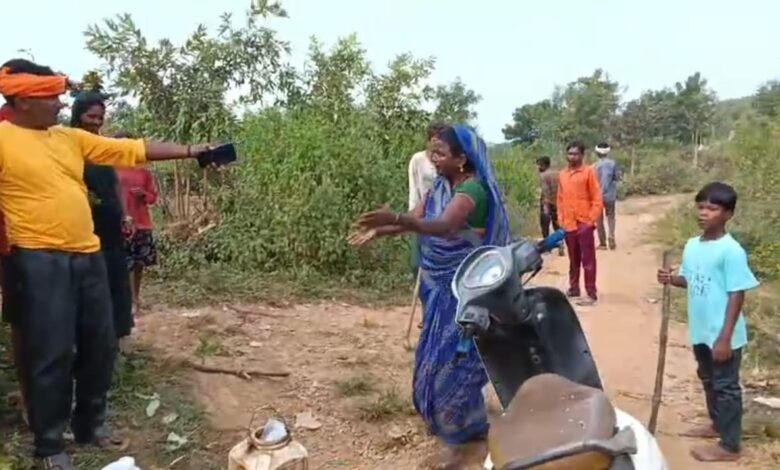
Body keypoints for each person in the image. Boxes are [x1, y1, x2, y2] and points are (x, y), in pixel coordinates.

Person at [0, 58, 213, 469]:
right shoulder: (3, 140)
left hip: (88, 254)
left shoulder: (68, 138)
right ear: (23, 100)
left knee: (100, 345)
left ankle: (90, 425)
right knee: (51, 352)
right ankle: (49, 444)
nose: (60, 104)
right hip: (37, 261)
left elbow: (132, 150)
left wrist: (192, 150)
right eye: (51, 97)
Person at [349, 124, 510, 468]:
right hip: (439, 289)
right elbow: (414, 219)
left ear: (461, 159)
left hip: (463, 291)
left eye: (440, 153)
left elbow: (444, 225)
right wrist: (381, 230)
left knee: (455, 362)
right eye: (431, 152)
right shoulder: (440, 186)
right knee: (433, 357)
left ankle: (456, 441)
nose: (433, 158)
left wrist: (394, 218)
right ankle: (465, 426)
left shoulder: (472, 189)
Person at [657, 182, 758, 463]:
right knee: (708, 379)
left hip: (723, 334)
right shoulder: (692, 245)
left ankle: (730, 445)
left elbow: (737, 294)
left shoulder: (731, 251)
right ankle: (716, 424)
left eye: (712, 209)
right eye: (701, 207)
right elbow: (689, 279)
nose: (704, 213)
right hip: (701, 330)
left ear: (728, 214)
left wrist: (724, 338)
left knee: (726, 387)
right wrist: (671, 279)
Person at [71, 92, 135, 341]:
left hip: (109, 219)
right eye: (91, 116)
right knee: (88, 280)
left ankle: (117, 335)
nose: (97, 122)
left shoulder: (103, 146)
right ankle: (87, 338)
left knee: (116, 274)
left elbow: (115, 182)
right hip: (83, 222)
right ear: (79, 116)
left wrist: (126, 214)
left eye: (100, 117)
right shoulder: (69, 145)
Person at [557, 141, 603, 306]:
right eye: (570, 154)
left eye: (576, 154)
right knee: (573, 259)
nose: (572, 157)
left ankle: (591, 293)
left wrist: (591, 219)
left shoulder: (589, 172)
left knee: (588, 260)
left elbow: (597, 198)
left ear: (582, 155)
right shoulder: (562, 175)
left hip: (584, 223)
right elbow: (560, 199)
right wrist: (561, 219)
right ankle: (574, 288)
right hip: (569, 224)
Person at [116, 145, 158, 315]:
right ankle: (126, 301)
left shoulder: (143, 172)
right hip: (119, 224)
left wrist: (143, 194)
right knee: (123, 265)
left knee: (139, 265)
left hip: (141, 223)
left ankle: (135, 300)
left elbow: (153, 198)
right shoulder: (110, 170)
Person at [407, 122, 443, 275]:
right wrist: (413, 213)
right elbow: (414, 187)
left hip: (441, 215)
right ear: (429, 140)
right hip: (421, 214)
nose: (437, 144)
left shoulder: (445, 160)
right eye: (434, 140)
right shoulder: (418, 159)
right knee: (417, 262)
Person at [593, 142, 620, 250]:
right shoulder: (613, 164)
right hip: (610, 194)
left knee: (599, 219)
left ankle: (603, 243)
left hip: (597, 195)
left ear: (597, 152)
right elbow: (617, 177)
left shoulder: (594, 166)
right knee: (611, 216)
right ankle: (611, 236)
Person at [536, 156, 564, 256]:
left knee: (545, 227)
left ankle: (547, 248)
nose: (538, 167)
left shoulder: (543, 176)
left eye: (539, 165)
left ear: (544, 165)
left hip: (547, 204)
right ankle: (560, 243)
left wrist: (545, 205)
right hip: (559, 203)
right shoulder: (558, 174)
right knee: (557, 225)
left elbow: (545, 191)